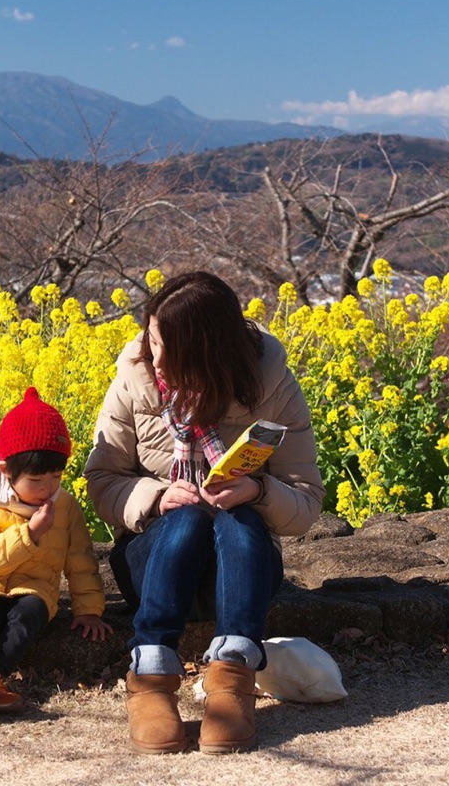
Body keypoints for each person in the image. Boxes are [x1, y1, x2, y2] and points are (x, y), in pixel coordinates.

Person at [84, 271, 324, 755]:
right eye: (152, 341)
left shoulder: (270, 381)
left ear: (213, 354)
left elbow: (305, 503)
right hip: (155, 563)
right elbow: (102, 480)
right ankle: (150, 676)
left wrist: (256, 490)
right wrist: (154, 497)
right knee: (188, 516)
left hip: (240, 572)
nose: (158, 361)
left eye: (174, 351)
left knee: (240, 518)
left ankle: (232, 679)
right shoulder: (135, 377)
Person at [0, 387, 112, 718]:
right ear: (6, 470)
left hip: (33, 588)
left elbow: (80, 559)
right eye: (37, 479)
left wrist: (88, 608)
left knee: (29, 616)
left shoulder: (63, 504)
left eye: (56, 476)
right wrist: (30, 534)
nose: (47, 488)